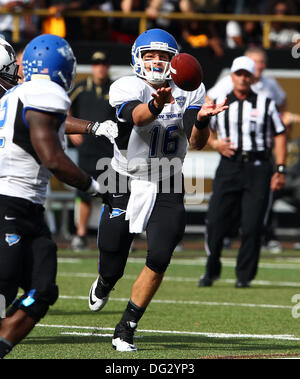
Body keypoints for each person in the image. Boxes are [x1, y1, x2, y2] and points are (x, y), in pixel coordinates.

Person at [87, 28, 228, 352]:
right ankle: (106, 281)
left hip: (167, 178)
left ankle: (126, 327)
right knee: (112, 256)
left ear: (174, 60)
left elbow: (195, 141)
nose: (155, 61)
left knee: (161, 253)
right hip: (124, 177)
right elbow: (137, 118)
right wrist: (155, 104)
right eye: (149, 55)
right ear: (137, 58)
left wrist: (203, 121)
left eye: (162, 56)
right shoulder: (126, 85)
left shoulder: (189, 89)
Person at [0, 34, 118, 359]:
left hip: (28, 207)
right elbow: (51, 156)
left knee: (43, 289)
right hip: (9, 199)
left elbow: (51, 123)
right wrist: (95, 188)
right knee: (5, 284)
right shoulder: (41, 92)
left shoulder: (20, 95)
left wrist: (92, 127)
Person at [198, 56, 287, 289]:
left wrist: (280, 168)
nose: (243, 78)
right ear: (232, 76)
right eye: (239, 74)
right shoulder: (220, 101)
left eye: (247, 74)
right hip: (229, 166)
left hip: (258, 167)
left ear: (252, 77)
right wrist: (216, 144)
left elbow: (279, 134)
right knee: (215, 221)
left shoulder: (266, 103)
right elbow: (202, 129)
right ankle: (211, 268)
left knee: (252, 224)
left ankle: (244, 276)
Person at [69, 51, 115, 251]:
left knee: (112, 194)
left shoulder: (115, 88)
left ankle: (113, 235)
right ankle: (81, 234)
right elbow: (64, 106)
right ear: (92, 66)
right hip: (87, 149)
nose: (100, 67)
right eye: (96, 63)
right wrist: (70, 132)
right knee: (84, 192)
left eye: (103, 63)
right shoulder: (81, 87)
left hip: (108, 150)